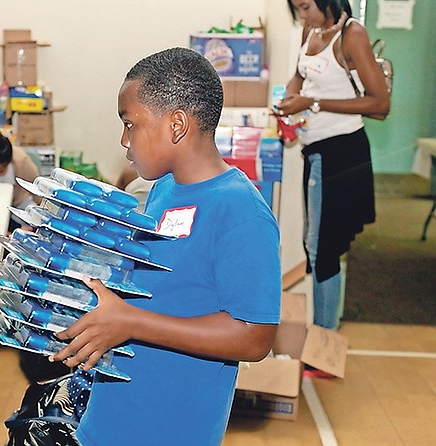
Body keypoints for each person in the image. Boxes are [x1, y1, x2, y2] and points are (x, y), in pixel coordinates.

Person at [49, 47, 282, 446]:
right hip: (111, 417)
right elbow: (164, 286)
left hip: (168, 429)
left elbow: (255, 335)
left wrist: (130, 322)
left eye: (129, 124)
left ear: (176, 125)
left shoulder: (241, 211)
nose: (123, 139)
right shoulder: (164, 188)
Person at [277, 0, 390, 330]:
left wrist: (312, 102)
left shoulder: (351, 34)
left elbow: (380, 103)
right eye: (296, 8)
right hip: (316, 152)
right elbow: (300, 75)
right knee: (316, 245)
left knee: (323, 249)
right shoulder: (310, 30)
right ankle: (324, 336)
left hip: (342, 153)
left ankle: (324, 341)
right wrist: (288, 100)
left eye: (306, 6)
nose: (302, 15)